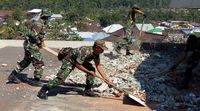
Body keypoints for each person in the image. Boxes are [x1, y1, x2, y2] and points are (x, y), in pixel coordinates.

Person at [37, 39, 113, 100]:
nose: (103, 51)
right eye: (101, 49)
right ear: (96, 47)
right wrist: (88, 72)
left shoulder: (96, 53)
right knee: (61, 78)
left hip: (79, 61)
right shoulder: (85, 51)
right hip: (69, 60)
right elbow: (78, 65)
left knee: (92, 69)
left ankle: (87, 90)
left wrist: (105, 78)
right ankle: (43, 90)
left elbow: (98, 65)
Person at [7, 21, 46, 87]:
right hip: (32, 48)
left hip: (30, 47)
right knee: (39, 63)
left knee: (26, 62)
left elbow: (40, 36)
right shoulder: (37, 26)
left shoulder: (40, 25)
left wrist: (41, 42)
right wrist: (39, 43)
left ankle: (12, 75)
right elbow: (35, 36)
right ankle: (36, 81)